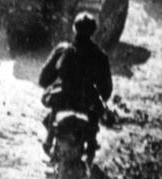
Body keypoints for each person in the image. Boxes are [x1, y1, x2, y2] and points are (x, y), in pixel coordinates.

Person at [38, 12, 112, 162]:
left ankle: (49, 140)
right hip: (87, 101)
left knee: (56, 103)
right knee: (94, 114)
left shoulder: (63, 50)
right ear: (93, 31)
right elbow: (106, 90)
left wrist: (53, 84)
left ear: (74, 29)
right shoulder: (100, 56)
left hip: (64, 97)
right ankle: (91, 147)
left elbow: (43, 78)